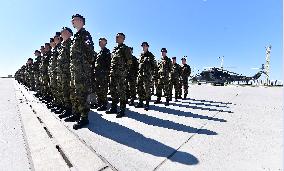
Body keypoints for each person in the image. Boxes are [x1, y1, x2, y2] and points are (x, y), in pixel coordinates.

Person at [67, 14, 94, 130]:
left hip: (82, 70)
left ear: (82, 22)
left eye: (75, 20)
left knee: (82, 93)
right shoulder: (75, 37)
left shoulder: (85, 35)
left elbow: (90, 53)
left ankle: (84, 117)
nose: (73, 21)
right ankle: (76, 114)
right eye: (72, 20)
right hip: (74, 70)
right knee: (74, 93)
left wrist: (85, 66)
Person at [106, 33, 132, 118]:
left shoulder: (125, 48)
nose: (116, 38)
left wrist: (124, 72)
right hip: (113, 73)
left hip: (121, 74)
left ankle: (122, 109)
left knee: (121, 91)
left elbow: (129, 62)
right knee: (113, 91)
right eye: (116, 36)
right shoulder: (114, 49)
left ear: (123, 39)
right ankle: (113, 107)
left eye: (118, 37)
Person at [57, 27, 73, 119]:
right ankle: (66, 108)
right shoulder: (63, 45)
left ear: (69, 33)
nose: (62, 33)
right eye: (61, 32)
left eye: (64, 32)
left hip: (68, 72)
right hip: (62, 73)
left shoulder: (71, 43)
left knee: (69, 92)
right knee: (64, 91)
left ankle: (70, 110)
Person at [135, 42, 156, 110]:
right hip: (140, 75)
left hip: (147, 75)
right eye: (143, 46)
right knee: (139, 88)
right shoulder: (141, 55)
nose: (143, 47)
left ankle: (147, 103)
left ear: (147, 47)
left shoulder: (150, 55)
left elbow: (154, 66)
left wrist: (150, 73)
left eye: (145, 46)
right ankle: (141, 102)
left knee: (147, 89)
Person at [94, 37, 111, 111]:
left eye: (102, 42)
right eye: (99, 42)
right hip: (98, 74)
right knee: (98, 89)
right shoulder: (99, 52)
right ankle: (99, 103)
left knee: (103, 89)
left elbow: (109, 63)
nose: (100, 43)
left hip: (104, 74)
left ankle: (104, 104)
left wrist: (106, 73)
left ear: (105, 43)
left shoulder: (107, 52)